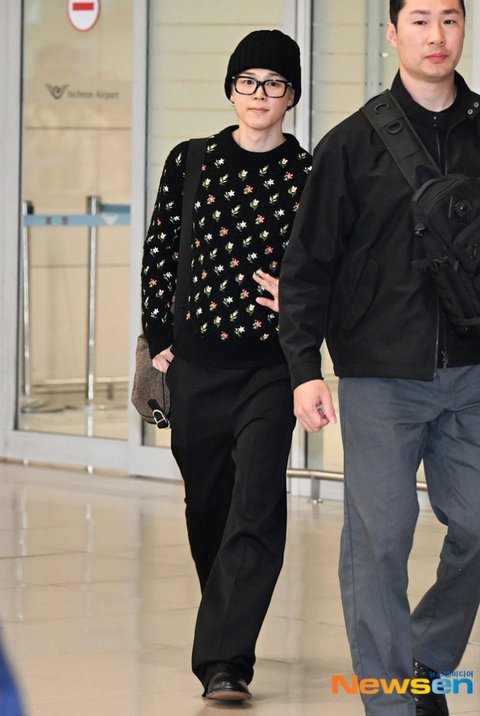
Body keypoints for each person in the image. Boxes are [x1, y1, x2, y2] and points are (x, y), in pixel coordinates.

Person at [279, 1, 480, 715]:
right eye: (419, 20)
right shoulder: (351, 144)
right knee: (381, 542)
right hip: (379, 379)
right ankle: (393, 703)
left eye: (449, 18)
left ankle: (427, 659)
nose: (436, 35)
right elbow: (307, 266)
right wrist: (304, 368)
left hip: (473, 373)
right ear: (393, 33)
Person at [141, 29, 312, 701]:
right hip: (197, 367)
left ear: (292, 95)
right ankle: (227, 615)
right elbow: (161, 248)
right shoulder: (192, 161)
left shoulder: (310, 174)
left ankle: (225, 662)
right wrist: (159, 333)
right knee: (209, 505)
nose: (259, 94)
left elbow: (332, 261)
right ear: (231, 90)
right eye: (248, 81)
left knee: (256, 505)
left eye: (274, 83)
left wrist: (301, 297)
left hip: (270, 368)